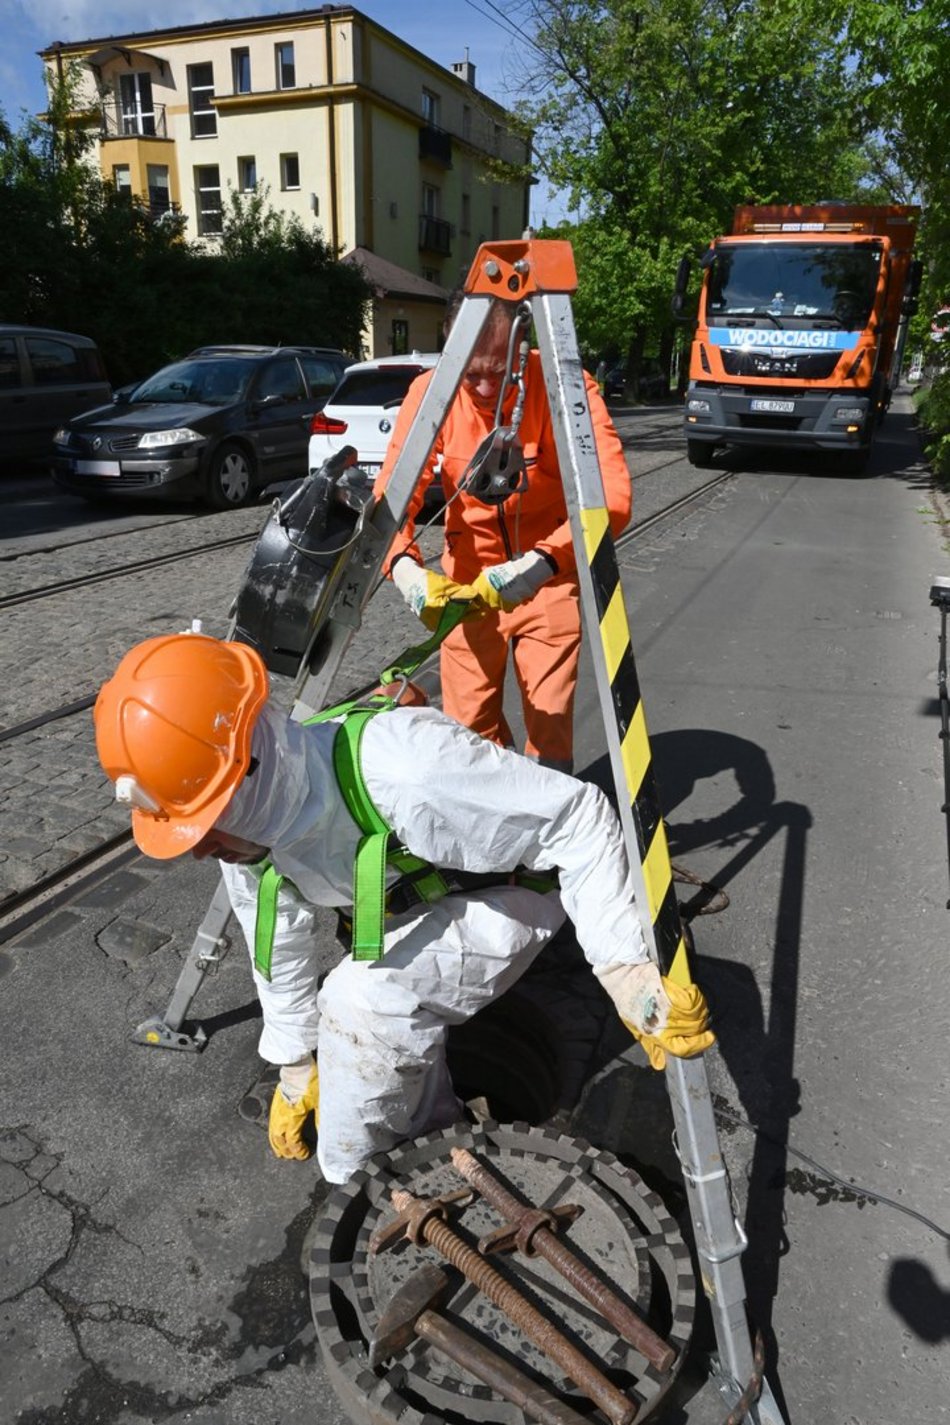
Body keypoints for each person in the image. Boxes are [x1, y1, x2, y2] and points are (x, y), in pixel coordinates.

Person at [93, 630, 714, 1185]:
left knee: (361, 1002)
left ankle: (382, 1171)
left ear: (251, 774)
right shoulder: (245, 842)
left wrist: (624, 967)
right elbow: (276, 944)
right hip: (414, 913)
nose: (199, 849)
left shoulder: (406, 770)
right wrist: (293, 1066)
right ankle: (430, 1131)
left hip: (513, 895)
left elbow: (579, 820)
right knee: (366, 1010)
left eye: (206, 823)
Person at [375, 295, 632, 773]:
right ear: (450, 357)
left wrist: (544, 561)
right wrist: (405, 567)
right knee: (468, 728)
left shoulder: (565, 388)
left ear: (521, 350)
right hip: (468, 583)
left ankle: (551, 811)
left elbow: (612, 497)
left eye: (499, 370)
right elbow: (392, 496)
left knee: (550, 718)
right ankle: (491, 812)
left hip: (548, 578)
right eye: (472, 374)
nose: (487, 386)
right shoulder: (431, 395)